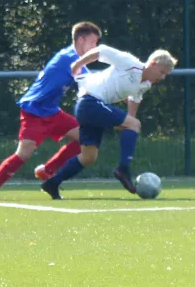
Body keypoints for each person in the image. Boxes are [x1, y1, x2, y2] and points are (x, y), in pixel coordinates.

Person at [0, 21, 102, 201]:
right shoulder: (70, 57)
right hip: (34, 111)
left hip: (52, 112)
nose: (95, 47)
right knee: (23, 154)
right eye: (92, 42)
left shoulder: (75, 59)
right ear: (81, 40)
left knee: (85, 137)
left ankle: (47, 171)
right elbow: (92, 82)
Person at [40, 44, 177, 199]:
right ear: (153, 64)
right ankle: (123, 169)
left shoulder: (145, 84)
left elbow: (134, 99)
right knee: (134, 124)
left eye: (166, 74)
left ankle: (52, 183)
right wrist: (78, 64)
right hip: (90, 102)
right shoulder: (130, 63)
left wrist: (129, 123)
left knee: (88, 157)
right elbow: (103, 50)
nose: (163, 77)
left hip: (91, 108)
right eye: (162, 72)